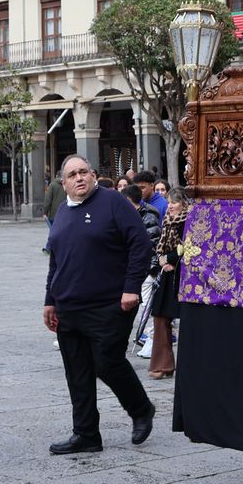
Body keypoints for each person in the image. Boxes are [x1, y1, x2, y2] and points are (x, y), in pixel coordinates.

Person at [43, 154, 158, 455]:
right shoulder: (62, 211)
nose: (79, 178)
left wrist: (132, 288)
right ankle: (86, 434)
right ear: (63, 183)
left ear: (93, 175)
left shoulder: (113, 202)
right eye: (72, 175)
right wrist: (49, 301)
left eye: (84, 172)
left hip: (110, 303)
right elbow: (57, 260)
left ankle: (141, 409)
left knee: (107, 362)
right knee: (77, 370)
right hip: (68, 307)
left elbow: (140, 245)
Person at [148, 187, 188, 380]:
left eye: (174, 202)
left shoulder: (189, 222)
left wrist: (171, 259)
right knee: (160, 316)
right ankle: (162, 363)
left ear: (184, 204)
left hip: (183, 275)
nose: (170, 206)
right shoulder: (167, 222)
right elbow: (160, 247)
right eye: (169, 202)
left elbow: (189, 247)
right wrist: (162, 260)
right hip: (166, 274)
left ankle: (188, 363)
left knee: (187, 319)